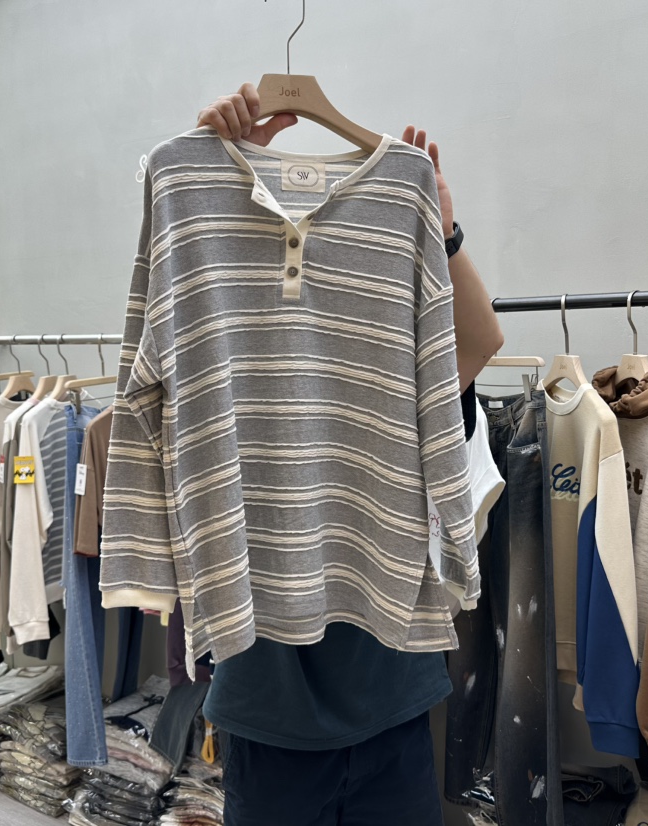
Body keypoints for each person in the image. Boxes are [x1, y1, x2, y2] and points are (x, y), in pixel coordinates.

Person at [195, 83, 504, 826]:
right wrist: (220, 183)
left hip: (390, 701)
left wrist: (441, 233)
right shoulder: (237, 358)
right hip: (268, 709)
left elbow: (478, 342)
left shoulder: (396, 366)